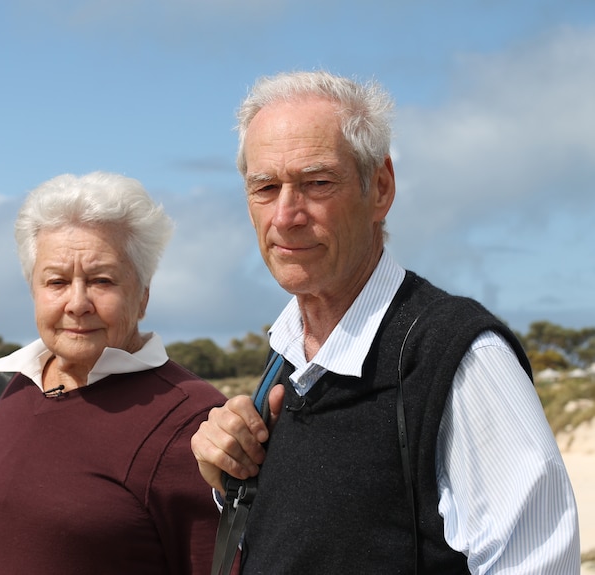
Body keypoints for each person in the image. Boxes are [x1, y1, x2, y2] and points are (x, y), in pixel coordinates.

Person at [190, 71, 580, 573]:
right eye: (265, 187)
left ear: (380, 188)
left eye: (317, 183)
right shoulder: (286, 357)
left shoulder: (460, 358)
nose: (285, 215)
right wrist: (231, 482)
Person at [0, 171, 227, 574]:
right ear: (34, 290)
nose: (77, 303)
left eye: (101, 281)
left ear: (143, 296)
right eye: (57, 281)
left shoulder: (193, 420)